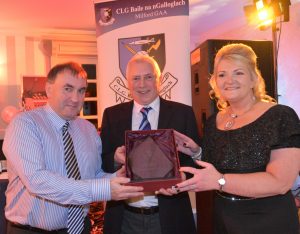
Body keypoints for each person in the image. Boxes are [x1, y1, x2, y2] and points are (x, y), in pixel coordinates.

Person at [172, 43, 300, 234]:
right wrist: (197, 152)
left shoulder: (280, 116)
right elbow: (220, 165)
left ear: (253, 79)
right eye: (222, 75)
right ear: (215, 82)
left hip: (268, 221)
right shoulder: (214, 121)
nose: (229, 80)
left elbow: (281, 183)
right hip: (224, 218)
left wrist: (221, 181)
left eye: (238, 73)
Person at [3, 62, 144, 234]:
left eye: (81, 90)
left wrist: (118, 177)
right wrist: (104, 189)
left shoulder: (88, 129)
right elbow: (37, 180)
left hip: (80, 228)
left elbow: (93, 175)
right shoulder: (25, 124)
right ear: (48, 89)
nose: (76, 98)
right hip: (32, 230)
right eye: (68, 89)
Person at [100, 53, 200, 234]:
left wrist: (179, 182)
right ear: (127, 83)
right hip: (124, 217)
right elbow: (102, 162)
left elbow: (195, 163)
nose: (142, 84)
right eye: (135, 78)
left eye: (148, 77)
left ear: (158, 80)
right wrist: (115, 159)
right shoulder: (112, 115)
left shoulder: (182, 113)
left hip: (171, 216)